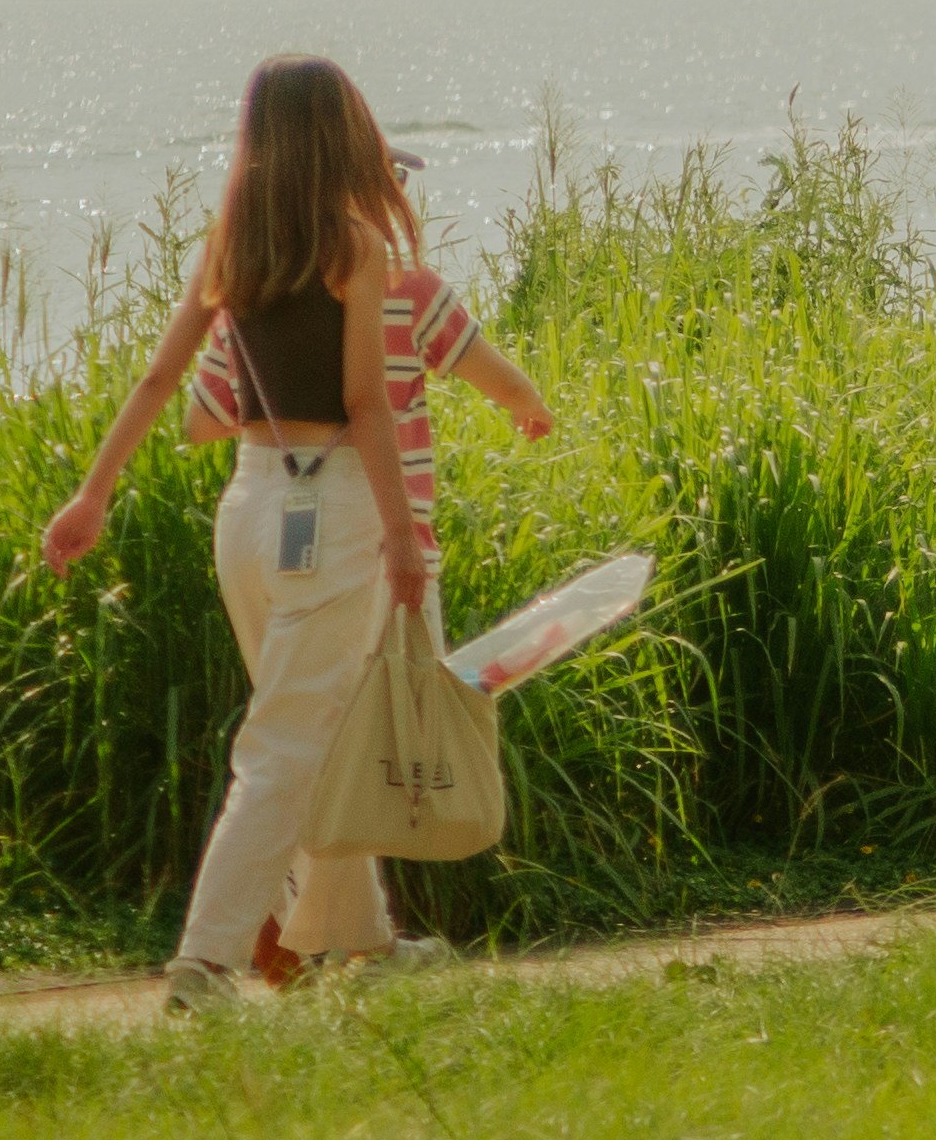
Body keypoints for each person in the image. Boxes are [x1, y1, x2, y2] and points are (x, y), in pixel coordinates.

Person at [45, 57, 555, 1012]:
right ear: (344, 132)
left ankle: (358, 942)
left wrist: (91, 497)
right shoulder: (357, 246)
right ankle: (204, 965)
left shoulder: (230, 245)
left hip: (249, 510)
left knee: (319, 730)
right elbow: (366, 402)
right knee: (285, 745)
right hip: (339, 508)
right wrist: (401, 538)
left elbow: (162, 383)